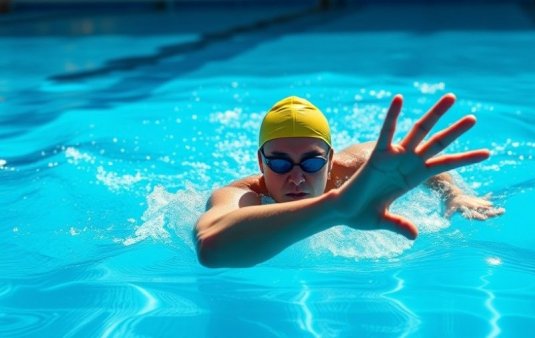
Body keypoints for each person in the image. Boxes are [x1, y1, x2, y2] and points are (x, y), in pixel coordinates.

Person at [195, 94, 504, 268]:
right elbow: (212, 248)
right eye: (278, 162)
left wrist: (451, 193)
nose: (297, 176)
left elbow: (411, 162)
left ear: (330, 161)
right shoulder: (242, 193)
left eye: (313, 162)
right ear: (260, 163)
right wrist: (337, 208)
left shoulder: (351, 167)